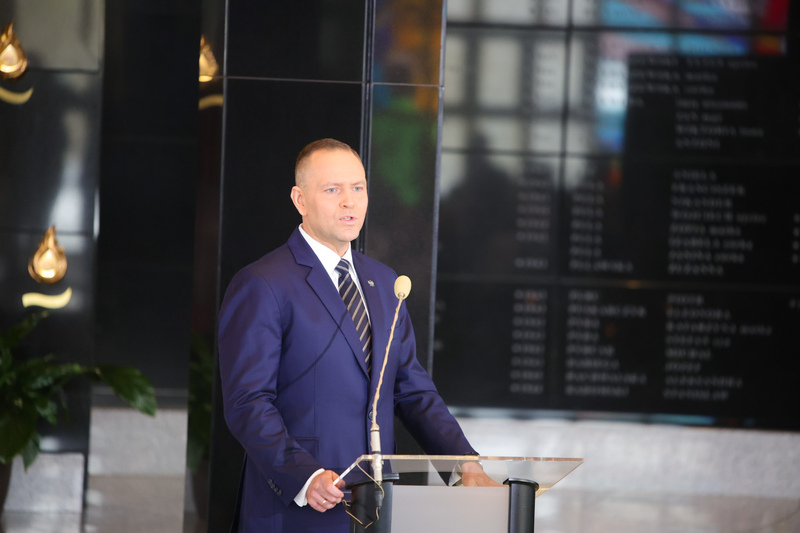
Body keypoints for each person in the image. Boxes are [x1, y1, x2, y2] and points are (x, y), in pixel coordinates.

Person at [218, 138, 487, 533]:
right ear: (300, 199)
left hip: (376, 506)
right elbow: (248, 402)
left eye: (358, 188)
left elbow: (411, 390)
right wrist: (305, 476)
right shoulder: (263, 283)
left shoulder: (385, 281)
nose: (349, 202)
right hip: (298, 507)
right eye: (332, 190)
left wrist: (464, 461)